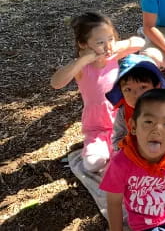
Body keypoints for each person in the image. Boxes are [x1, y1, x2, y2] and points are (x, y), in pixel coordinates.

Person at [100, 89, 165, 231]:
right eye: (149, 121)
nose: (157, 129)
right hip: (147, 225)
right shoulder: (121, 163)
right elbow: (114, 202)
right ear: (133, 126)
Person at [50, 12, 145, 172]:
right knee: (93, 164)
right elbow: (56, 83)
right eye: (100, 42)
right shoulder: (82, 68)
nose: (107, 46)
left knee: (139, 153)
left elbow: (140, 42)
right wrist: (83, 60)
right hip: (97, 129)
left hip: (123, 123)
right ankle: (105, 149)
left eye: (110, 39)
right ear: (83, 44)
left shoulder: (112, 56)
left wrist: (116, 46)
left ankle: (116, 151)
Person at [105, 54, 165, 150]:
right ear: (121, 92)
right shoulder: (123, 112)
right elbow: (116, 140)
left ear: (156, 87)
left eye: (143, 87)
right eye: (128, 89)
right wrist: (131, 145)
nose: (136, 94)